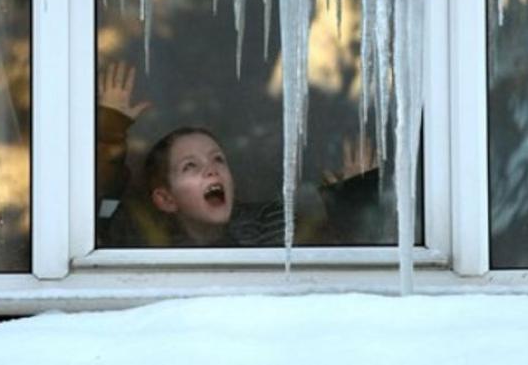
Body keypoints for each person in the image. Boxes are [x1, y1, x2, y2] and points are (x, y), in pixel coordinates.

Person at [96, 61, 380, 247]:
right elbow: (99, 211)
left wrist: (352, 203)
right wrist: (110, 136)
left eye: (217, 159)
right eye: (190, 166)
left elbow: (327, 258)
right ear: (166, 199)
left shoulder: (267, 228)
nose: (211, 170)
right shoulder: (144, 242)